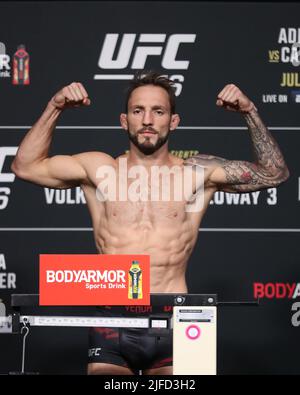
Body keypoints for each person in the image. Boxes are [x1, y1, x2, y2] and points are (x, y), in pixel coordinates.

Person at [11, 71, 289, 375]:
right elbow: (25, 166)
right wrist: (55, 106)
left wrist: (249, 111)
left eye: (158, 111)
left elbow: (274, 173)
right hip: (112, 317)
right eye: (137, 111)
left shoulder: (197, 173)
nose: (147, 120)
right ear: (123, 120)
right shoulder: (97, 169)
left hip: (182, 315)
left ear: (173, 121)